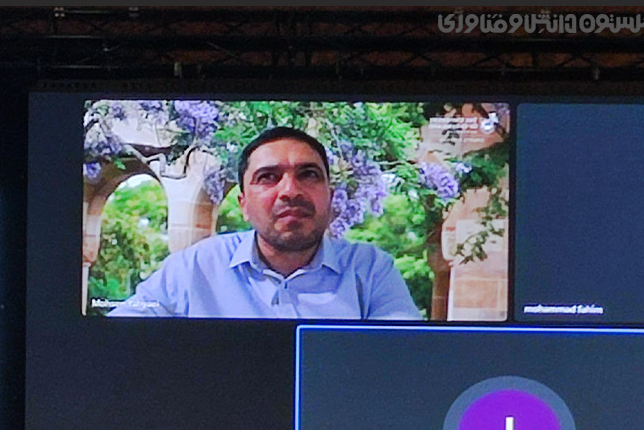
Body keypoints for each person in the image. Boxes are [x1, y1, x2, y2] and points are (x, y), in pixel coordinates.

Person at [105, 127, 422, 320]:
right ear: (244, 204)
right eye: (268, 177)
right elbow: (122, 336)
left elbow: (405, 359)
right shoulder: (196, 266)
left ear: (331, 196)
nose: (290, 191)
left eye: (308, 174)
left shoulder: (371, 270)